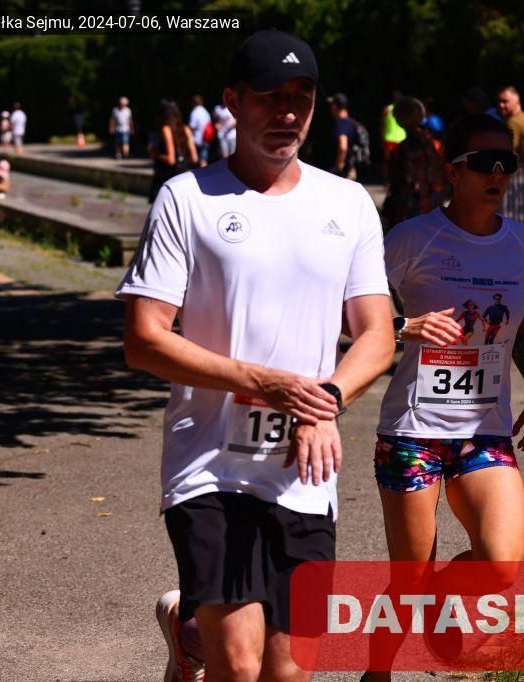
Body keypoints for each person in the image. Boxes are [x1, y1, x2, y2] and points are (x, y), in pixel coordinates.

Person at [117, 29, 395, 682]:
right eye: (271, 97)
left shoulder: (348, 203)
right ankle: (204, 638)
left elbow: (377, 335)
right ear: (234, 102)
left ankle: (187, 631)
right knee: (240, 667)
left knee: (290, 670)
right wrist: (263, 382)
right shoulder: (188, 198)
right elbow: (144, 337)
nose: (288, 113)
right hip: (209, 465)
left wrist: (324, 402)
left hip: (303, 469)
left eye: (302, 98)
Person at [365, 114, 524, 681]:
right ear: (452, 172)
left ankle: (444, 595)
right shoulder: (411, 239)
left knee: (501, 565)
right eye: (483, 163)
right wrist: (405, 326)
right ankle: (377, 673)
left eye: (507, 163)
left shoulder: (523, 243)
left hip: (483, 430)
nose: (497, 173)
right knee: (409, 579)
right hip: (413, 432)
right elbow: (349, 314)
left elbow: (519, 323)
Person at [383, 96, 444, 228]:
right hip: (433, 201)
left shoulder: (406, 147)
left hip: (413, 204)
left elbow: (405, 179)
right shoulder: (433, 142)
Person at [146, 100, 197, 203]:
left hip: (167, 176)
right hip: (183, 176)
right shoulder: (186, 129)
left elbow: (171, 159)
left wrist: (156, 155)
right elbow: (194, 158)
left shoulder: (166, 129)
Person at [497, 86, 524, 164]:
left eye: (505, 101)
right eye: (499, 101)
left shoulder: (514, 123)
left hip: (521, 170)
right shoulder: (523, 118)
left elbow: (507, 154)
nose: (501, 105)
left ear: (517, 102)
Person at [328, 92, 359, 180]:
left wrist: (338, 166)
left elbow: (343, 147)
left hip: (342, 171)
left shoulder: (340, 123)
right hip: (350, 167)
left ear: (334, 106)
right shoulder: (352, 123)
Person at [188, 95, 212, 168]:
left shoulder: (195, 112)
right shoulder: (205, 112)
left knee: (195, 160)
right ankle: (205, 173)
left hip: (197, 139)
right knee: (204, 160)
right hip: (206, 138)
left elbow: (192, 127)